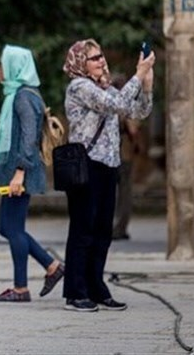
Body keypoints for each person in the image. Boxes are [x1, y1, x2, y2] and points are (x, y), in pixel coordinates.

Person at [61, 39, 154, 312]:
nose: (101, 61)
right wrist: (138, 74)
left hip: (107, 165)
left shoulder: (105, 88)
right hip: (85, 166)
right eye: (94, 58)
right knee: (82, 229)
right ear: (81, 63)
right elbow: (117, 103)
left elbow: (137, 110)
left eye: (101, 56)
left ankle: (95, 286)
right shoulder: (80, 87)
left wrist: (146, 86)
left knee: (102, 230)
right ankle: (75, 292)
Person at [0, 45, 64, 303]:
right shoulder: (18, 95)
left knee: (12, 227)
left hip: (23, 171)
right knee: (6, 226)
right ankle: (51, 267)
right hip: (14, 171)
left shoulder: (22, 97)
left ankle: (22, 287)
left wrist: (18, 173)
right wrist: (0, 172)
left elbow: (29, 137)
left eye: (2, 63)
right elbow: (12, 138)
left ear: (14, 67)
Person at [110, 73, 140, 241]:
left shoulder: (109, 103)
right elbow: (134, 130)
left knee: (114, 192)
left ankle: (117, 227)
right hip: (123, 152)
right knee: (124, 193)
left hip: (114, 152)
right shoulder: (127, 105)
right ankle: (120, 227)